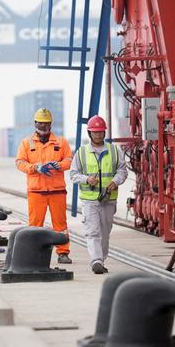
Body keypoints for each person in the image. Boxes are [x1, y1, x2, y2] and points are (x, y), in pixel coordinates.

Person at [67, 115, 127, 274]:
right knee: (93, 231)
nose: (98, 135)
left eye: (101, 132)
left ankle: (101, 258)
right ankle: (96, 261)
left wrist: (116, 180)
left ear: (104, 133)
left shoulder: (114, 151)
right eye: (95, 132)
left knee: (105, 233)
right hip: (89, 201)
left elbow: (122, 170)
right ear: (89, 133)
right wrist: (87, 179)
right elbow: (73, 174)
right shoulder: (81, 153)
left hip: (109, 199)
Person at [15, 108, 74, 263]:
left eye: (46, 123)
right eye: (40, 123)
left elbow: (69, 160)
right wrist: (35, 167)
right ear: (35, 123)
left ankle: (63, 253)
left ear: (50, 124)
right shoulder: (26, 143)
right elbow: (20, 163)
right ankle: (34, 252)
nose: (43, 126)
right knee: (35, 225)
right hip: (36, 191)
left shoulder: (61, 142)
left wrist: (58, 165)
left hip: (57, 191)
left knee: (60, 225)